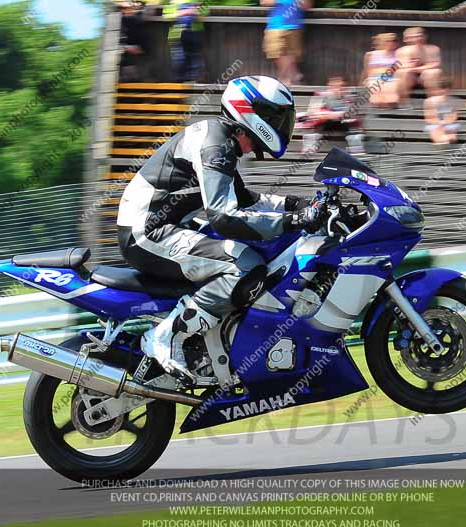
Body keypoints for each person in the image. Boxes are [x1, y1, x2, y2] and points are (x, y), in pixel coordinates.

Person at [117, 76, 320, 382]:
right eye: (276, 117)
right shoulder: (216, 146)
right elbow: (224, 217)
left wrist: (302, 204)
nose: (281, 125)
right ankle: (166, 337)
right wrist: (296, 220)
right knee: (245, 266)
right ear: (251, 113)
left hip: (164, 227)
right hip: (148, 233)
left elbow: (247, 202)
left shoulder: (220, 139)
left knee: (255, 255)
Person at [297, 75, 364, 155]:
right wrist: (329, 115)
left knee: (354, 131)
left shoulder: (349, 99)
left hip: (344, 125)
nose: (338, 89)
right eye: (334, 86)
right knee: (313, 128)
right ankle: (309, 149)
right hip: (324, 125)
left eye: (341, 86)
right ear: (329, 86)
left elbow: (351, 115)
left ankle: (357, 152)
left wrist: (332, 114)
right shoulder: (321, 96)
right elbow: (313, 113)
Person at [261, 0, 312, 86]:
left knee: (291, 54)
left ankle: (288, 79)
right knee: (276, 53)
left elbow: (307, 5)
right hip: (275, 26)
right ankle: (294, 76)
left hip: (294, 26)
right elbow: (264, 2)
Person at [395, 27, 442, 104]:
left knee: (433, 72)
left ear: (424, 36)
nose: (417, 38)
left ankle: (433, 102)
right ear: (407, 38)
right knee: (403, 72)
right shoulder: (402, 50)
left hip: (425, 76)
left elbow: (435, 64)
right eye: (413, 36)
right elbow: (400, 65)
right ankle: (404, 103)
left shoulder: (433, 48)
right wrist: (411, 67)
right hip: (410, 77)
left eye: (419, 36)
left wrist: (419, 68)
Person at [164, 0, 207, 83]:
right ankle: (179, 84)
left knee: (195, 59)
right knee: (179, 59)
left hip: (195, 34)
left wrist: (196, 13)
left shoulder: (198, 1)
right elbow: (166, 16)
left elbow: (205, 13)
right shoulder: (174, 1)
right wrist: (184, 13)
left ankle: (194, 85)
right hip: (177, 35)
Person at [361, 33, 401, 109]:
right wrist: (364, 80)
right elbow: (367, 70)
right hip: (374, 78)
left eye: (394, 41)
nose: (391, 43)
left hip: (391, 78)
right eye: (388, 41)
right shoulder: (370, 54)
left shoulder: (398, 54)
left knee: (389, 86)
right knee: (373, 84)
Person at [118, 1, 150, 82]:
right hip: (127, 54)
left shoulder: (137, 19)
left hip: (139, 53)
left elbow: (141, 48)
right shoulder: (122, 20)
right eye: (123, 9)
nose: (125, 11)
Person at [423, 77, 459, 144]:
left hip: (449, 124)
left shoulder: (453, 101)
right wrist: (439, 123)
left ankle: (445, 140)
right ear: (438, 89)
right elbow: (428, 118)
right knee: (440, 138)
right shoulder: (429, 101)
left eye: (448, 88)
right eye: (443, 87)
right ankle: (443, 141)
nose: (446, 90)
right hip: (434, 124)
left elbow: (454, 116)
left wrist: (446, 122)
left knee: (452, 138)